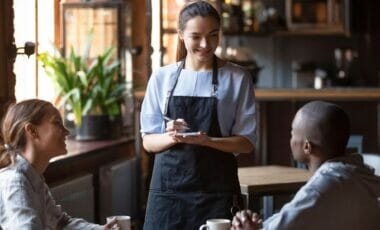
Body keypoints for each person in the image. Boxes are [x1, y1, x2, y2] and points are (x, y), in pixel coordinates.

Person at [140, 1, 256, 229]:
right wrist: (172, 136)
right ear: (181, 35)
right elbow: (148, 142)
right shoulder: (162, 78)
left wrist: (208, 141)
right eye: (196, 37)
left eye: (213, 35)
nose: (206, 44)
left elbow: (246, 143)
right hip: (168, 197)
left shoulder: (237, 78)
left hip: (216, 194)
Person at [232, 101, 380, 230]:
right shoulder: (360, 174)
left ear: (307, 147)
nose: (290, 140)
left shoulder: (322, 188)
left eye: (292, 133)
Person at [0, 99, 117, 229]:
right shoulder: (16, 182)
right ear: (32, 131)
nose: (67, 131)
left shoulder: (34, 178)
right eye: (57, 123)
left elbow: (61, 223)